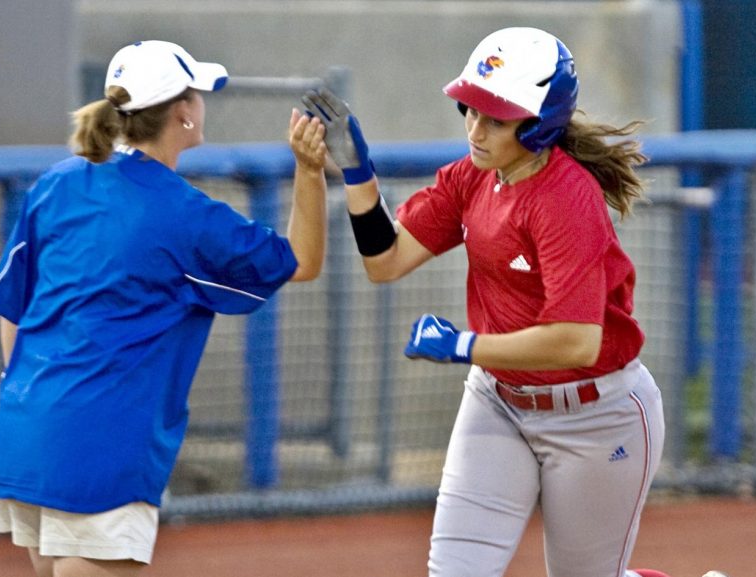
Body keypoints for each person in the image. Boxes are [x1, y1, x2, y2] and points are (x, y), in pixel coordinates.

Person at [302, 26, 707, 577]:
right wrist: (357, 173)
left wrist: (466, 344)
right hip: (498, 400)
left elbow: (577, 340)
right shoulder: (473, 176)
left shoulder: (566, 198)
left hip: (598, 416)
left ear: (539, 125)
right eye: (471, 110)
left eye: (496, 117)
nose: (475, 127)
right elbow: (386, 261)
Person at [0, 40, 328, 577]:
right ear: (183, 113)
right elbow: (301, 261)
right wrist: (309, 170)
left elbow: (13, 310)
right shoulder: (186, 215)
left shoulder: (56, 184)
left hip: (25, 429)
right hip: (104, 447)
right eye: (197, 95)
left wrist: (27, 388)